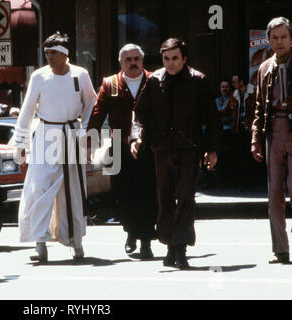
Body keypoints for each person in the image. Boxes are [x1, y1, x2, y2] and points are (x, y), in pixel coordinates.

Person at [134, 38, 223, 269]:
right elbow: (140, 114)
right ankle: (169, 245)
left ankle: (181, 248)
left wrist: (211, 150)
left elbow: (211, 118)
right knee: (164, 198)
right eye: (166, 58)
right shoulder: (154, 80)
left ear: (184, 59)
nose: (171, 63)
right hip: (162, 148)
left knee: (185, 197)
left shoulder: (198, 80)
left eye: (175, 58)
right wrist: (137, 138)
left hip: (188, 148)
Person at [13, 32, 96, 262]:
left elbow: (91, 104)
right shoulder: (39, 77)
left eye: (53, 53)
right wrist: (21, 142)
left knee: (74, 190)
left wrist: (87, 131)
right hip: (45, 135)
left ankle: (76, 242)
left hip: (71, 133)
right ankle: (40, 243)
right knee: (40, 187)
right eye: (47, 52)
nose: (49, 56)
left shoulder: (81, 75)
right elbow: (28, 109)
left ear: (64, 54)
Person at [87, 43, 157, 259]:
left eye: (136, 58)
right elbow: (98, 114)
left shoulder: (154, 80)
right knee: (123, 194)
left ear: (142, 60)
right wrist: (90, 140)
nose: (133, 63)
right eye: (128, 59)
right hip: (119, 147)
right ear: (121, 62)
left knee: (148, 193)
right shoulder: (111, 84)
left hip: (148, 147)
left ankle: (146, 240)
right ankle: (130, 233)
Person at [251, 17, 292, 264]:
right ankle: (281, 248)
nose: (279, 41)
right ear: (268, 40)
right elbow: (258, 107)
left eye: (283, 36)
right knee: (274, 193)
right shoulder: (265, 68)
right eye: (274, 37)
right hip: (273, 129)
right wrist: (256, 139)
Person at [230, 74, 257, 189]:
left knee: (250, 155)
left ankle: (251, 182)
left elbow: (258, 110)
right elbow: (227, 109)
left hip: (250, 129)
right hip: (239, 128)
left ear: (241, 82)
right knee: (240, 155)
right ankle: (242, 182)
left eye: (234, 82)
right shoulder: (235, 94)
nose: (233, 84)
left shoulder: (253, 92)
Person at [214, 79, 235, 186]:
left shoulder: (233, 99)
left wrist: (221, 114)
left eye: (226, 87)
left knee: (229, 156)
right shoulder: (216, 100)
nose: (224, 89)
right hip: (218, 131)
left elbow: (230, 115)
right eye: (222, 87)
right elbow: (215, 115)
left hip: (229, 130)